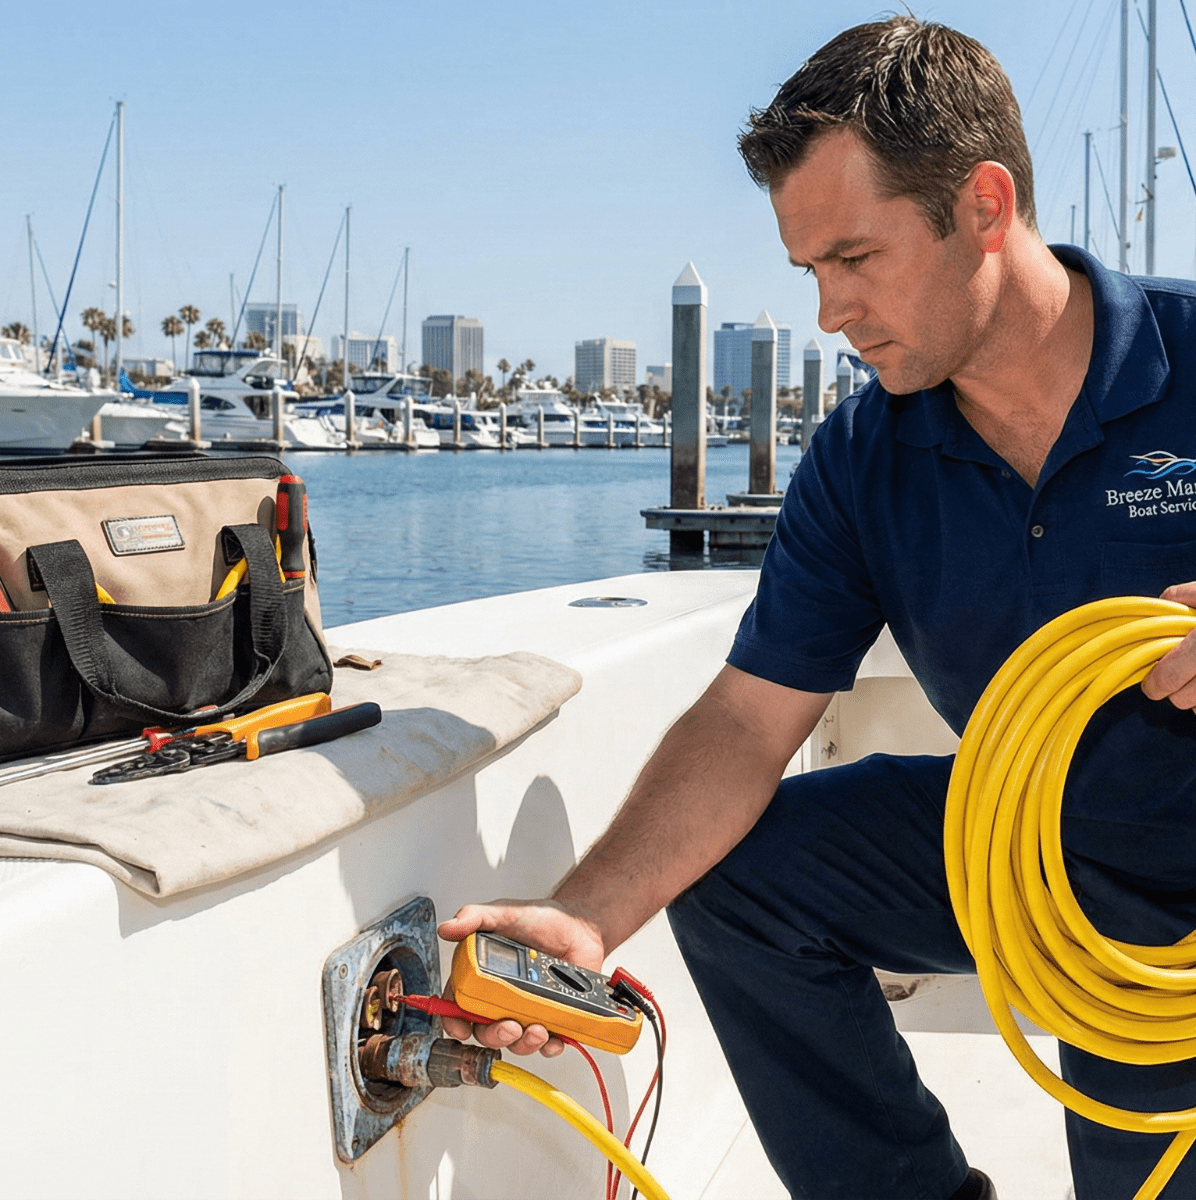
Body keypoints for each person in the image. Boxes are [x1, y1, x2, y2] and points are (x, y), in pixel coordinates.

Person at [439, 17, 1196, 1200]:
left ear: (982, 207)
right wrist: (585, 917)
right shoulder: (861, 455)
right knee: (745, 881)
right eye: (809, 273)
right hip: (1038, 868)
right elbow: (746, 724)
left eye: (855, 258)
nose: (829, 315)